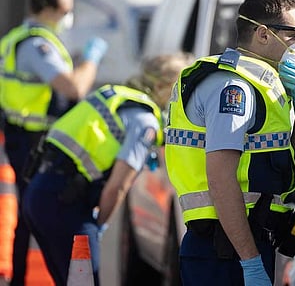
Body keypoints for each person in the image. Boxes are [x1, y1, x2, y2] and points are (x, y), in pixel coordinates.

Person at [165, 0, 295, 286]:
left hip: (248, 240)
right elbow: (221, 177)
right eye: (294, 35)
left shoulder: (268, 86)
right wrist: (250, 263)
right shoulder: (234, 89)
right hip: (223, 248)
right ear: (263, 34)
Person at [22, 52, 194, 286]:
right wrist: (99, 225)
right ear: (164, 86)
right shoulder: (145, 122)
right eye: (182, 89)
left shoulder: (115, 95)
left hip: (40, 194)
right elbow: (118, 187)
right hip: (65, 204)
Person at [0, 0, 108, 286]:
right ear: (46, 9)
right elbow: (74, 87)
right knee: (33, 211)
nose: (68, 17)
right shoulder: (37, 45)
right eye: (65, 10)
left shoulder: (19, 37)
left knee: (29, 211)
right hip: (32, 140)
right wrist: (92, 59)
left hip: (25, 134)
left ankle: (23, 278)